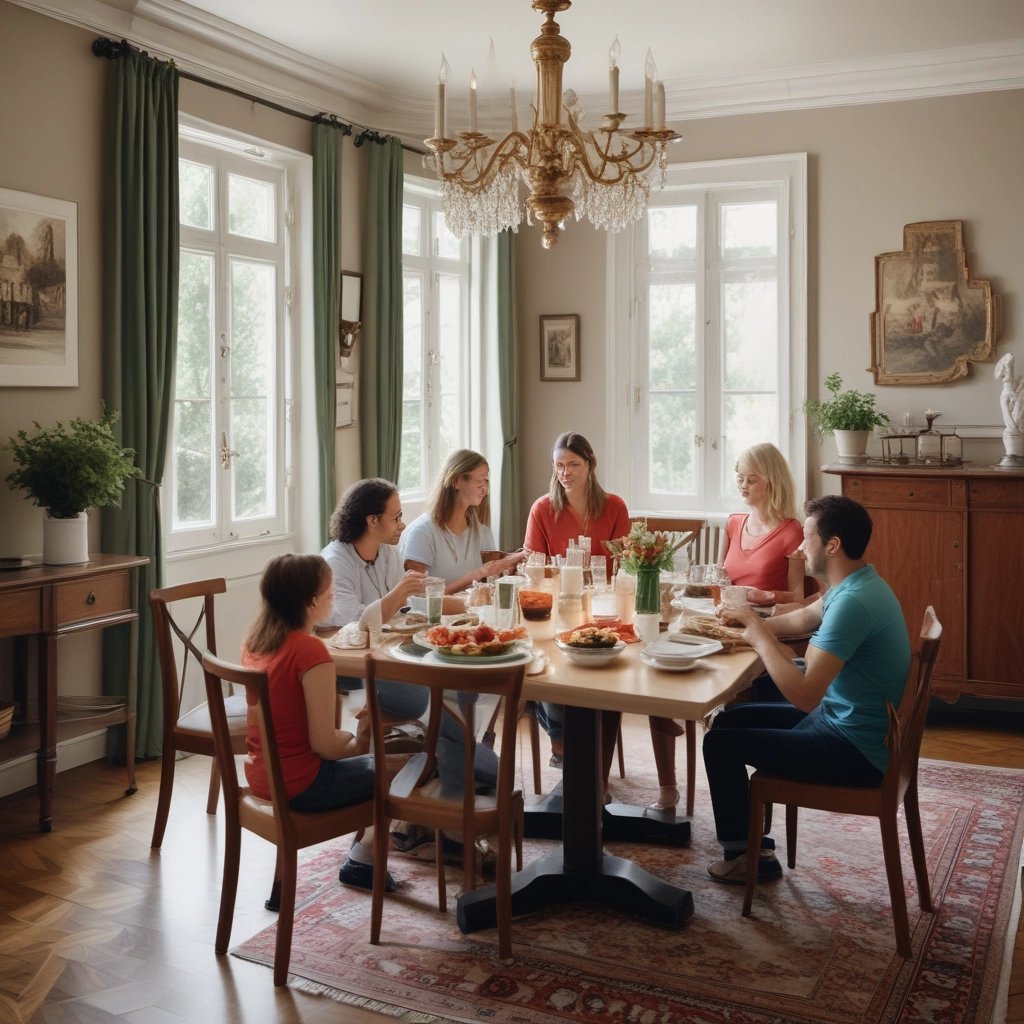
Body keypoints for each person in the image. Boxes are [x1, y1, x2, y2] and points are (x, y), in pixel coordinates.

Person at [701, 495, 911, 884]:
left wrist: (758, 635)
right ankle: (751, 844)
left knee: (719, 744)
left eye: (807, 537)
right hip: (848, 724)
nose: (799, 547)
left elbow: (805, 695)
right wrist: (743, 623)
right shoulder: (858, 582)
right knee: (728, 721)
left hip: (854, 750)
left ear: (832, 545)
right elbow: (803, 617)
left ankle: (751, 858)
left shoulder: (854, 603)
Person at [647, 442, 806, 811]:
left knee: (703, 675)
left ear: (773, 482)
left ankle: (706, 717)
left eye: (752, 479)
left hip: (761, 627)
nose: (743, 485)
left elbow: (798, 597)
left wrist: (760, 597)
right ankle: (671, 740)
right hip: (722, 621)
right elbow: (716, 581)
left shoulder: (791, 531)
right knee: (658, 659)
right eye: (739, 478)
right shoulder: (735, 523)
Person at [241, 553, 398, 892]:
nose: (333, 597)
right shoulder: (309, 651)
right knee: (412, 767)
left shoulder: (255, 644)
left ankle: (385, 847)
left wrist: (356, 743)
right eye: (330, 592)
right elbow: (324, 745)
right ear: (312, 602)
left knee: (388, 761)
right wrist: (360, 738)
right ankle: (365, 858)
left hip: (262, 776)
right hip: (303, 785)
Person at [523, 431, 632, 767]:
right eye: (559, 465)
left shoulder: (614, 506)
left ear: (590, 465)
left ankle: (592, 756)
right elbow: (534, 568)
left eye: (573, 464)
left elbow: (626, 564)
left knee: (604, 676)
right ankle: (562, 745)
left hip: (605, 609)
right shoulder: (542, 508)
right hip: (559, 607)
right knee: (547, 670)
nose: (565, 472)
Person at [400, 449, 525, 593]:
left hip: (474, 612)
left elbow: (489, 583)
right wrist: (477, 574)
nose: (484, 489)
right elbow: (419, 598)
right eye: (480, 481)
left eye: (486, 481)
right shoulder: (422, 532)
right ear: (456, 481)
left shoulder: (481, 530)